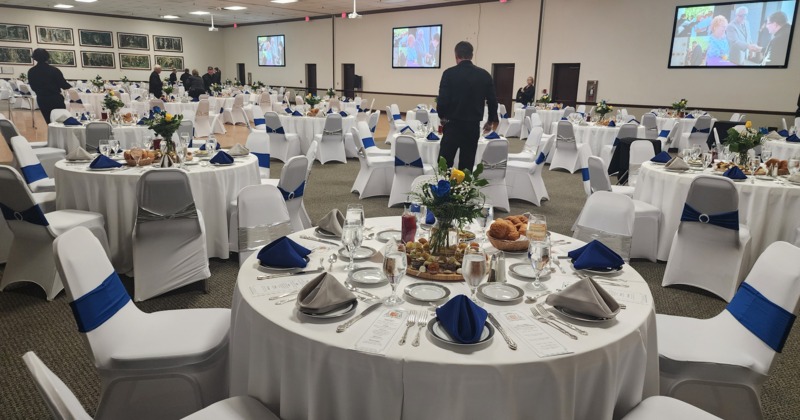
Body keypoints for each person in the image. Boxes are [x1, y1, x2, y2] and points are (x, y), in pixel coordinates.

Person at [437, 41, 499, 171]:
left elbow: (442, 100)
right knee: (467, 165)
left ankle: (444, 184)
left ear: (456, 56)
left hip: (452, 124)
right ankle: (464, 184)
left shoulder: (449, 74)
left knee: (444, 164)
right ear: (471, 55)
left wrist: (442, 117)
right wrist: (490, 120)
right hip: (472, 126)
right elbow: (492, 100)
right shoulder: (484, 75)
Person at [27, 48, 71, 124]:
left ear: (34, 58)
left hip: (42, 99)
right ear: (47, 57)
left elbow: (33, 87)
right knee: (61, 121)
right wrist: (71, 87)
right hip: (55, 98)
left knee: (49, 122)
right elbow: (63, 85)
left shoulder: (31, 71)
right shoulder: (54, 70)